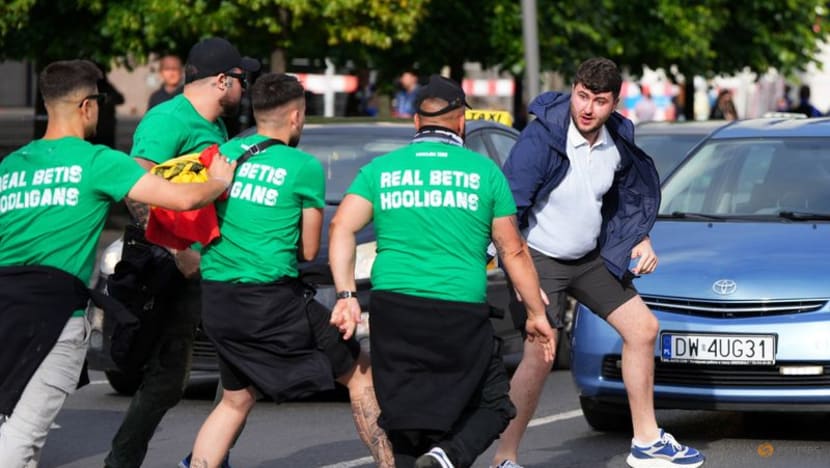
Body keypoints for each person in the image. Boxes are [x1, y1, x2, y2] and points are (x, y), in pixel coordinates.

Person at [0, 59, 235, 468]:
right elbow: (179, 199)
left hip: (5, 306)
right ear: (88, 106)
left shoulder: (11, 167)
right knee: (23, 436)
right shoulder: (98, 162)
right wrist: (218, 180)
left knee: (14, 428)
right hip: (54, 315)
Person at [329, 74, 556, 468]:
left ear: (416, 122)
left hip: (393, 309)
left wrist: (347, 296)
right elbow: (513, 250)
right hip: (458, 312)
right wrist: (537, 313)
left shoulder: (381, 170)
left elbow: (342, 227)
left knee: (403, 424)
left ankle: (435, 457)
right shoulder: (484, 173)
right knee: (494, 403)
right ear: (461, 123)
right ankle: (447, 456)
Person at [489, 58, 705, 468]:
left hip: (589, 259)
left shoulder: (618, 139)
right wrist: (514, 270)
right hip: (539, 258)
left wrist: (639, 237)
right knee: (541, 351)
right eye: (582, 96)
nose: (587, 108)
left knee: (643, 328)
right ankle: (504, 459)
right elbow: (508, 209)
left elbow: (623, 199)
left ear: (614, 104)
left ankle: (645, 442)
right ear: (573, 89)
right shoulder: (542, 138)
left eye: (599, 101)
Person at [186, 72, 393, 468]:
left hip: (216, 299)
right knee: (359, 373)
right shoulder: (303, 167)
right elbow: (309, 249)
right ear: (296, 116)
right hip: (270, 301)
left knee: (235, 399)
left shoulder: (224, 153)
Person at [104, 37, 259, 468]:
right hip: (171, 267)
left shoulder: (215, 126)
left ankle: (208, 458)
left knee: (235, 376)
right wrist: (176, 253)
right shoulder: (168, 119)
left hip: (209, 263)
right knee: (168, 380)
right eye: (241, 81)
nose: (244, 90)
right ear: (222, 81)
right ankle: (122, 462)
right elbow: (136, 188)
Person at [89, 61, 125, 148]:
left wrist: (108, 100)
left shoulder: (107, 87)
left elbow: (120, 99)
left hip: (106, 127)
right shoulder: (90, 87)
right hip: (94, 127)